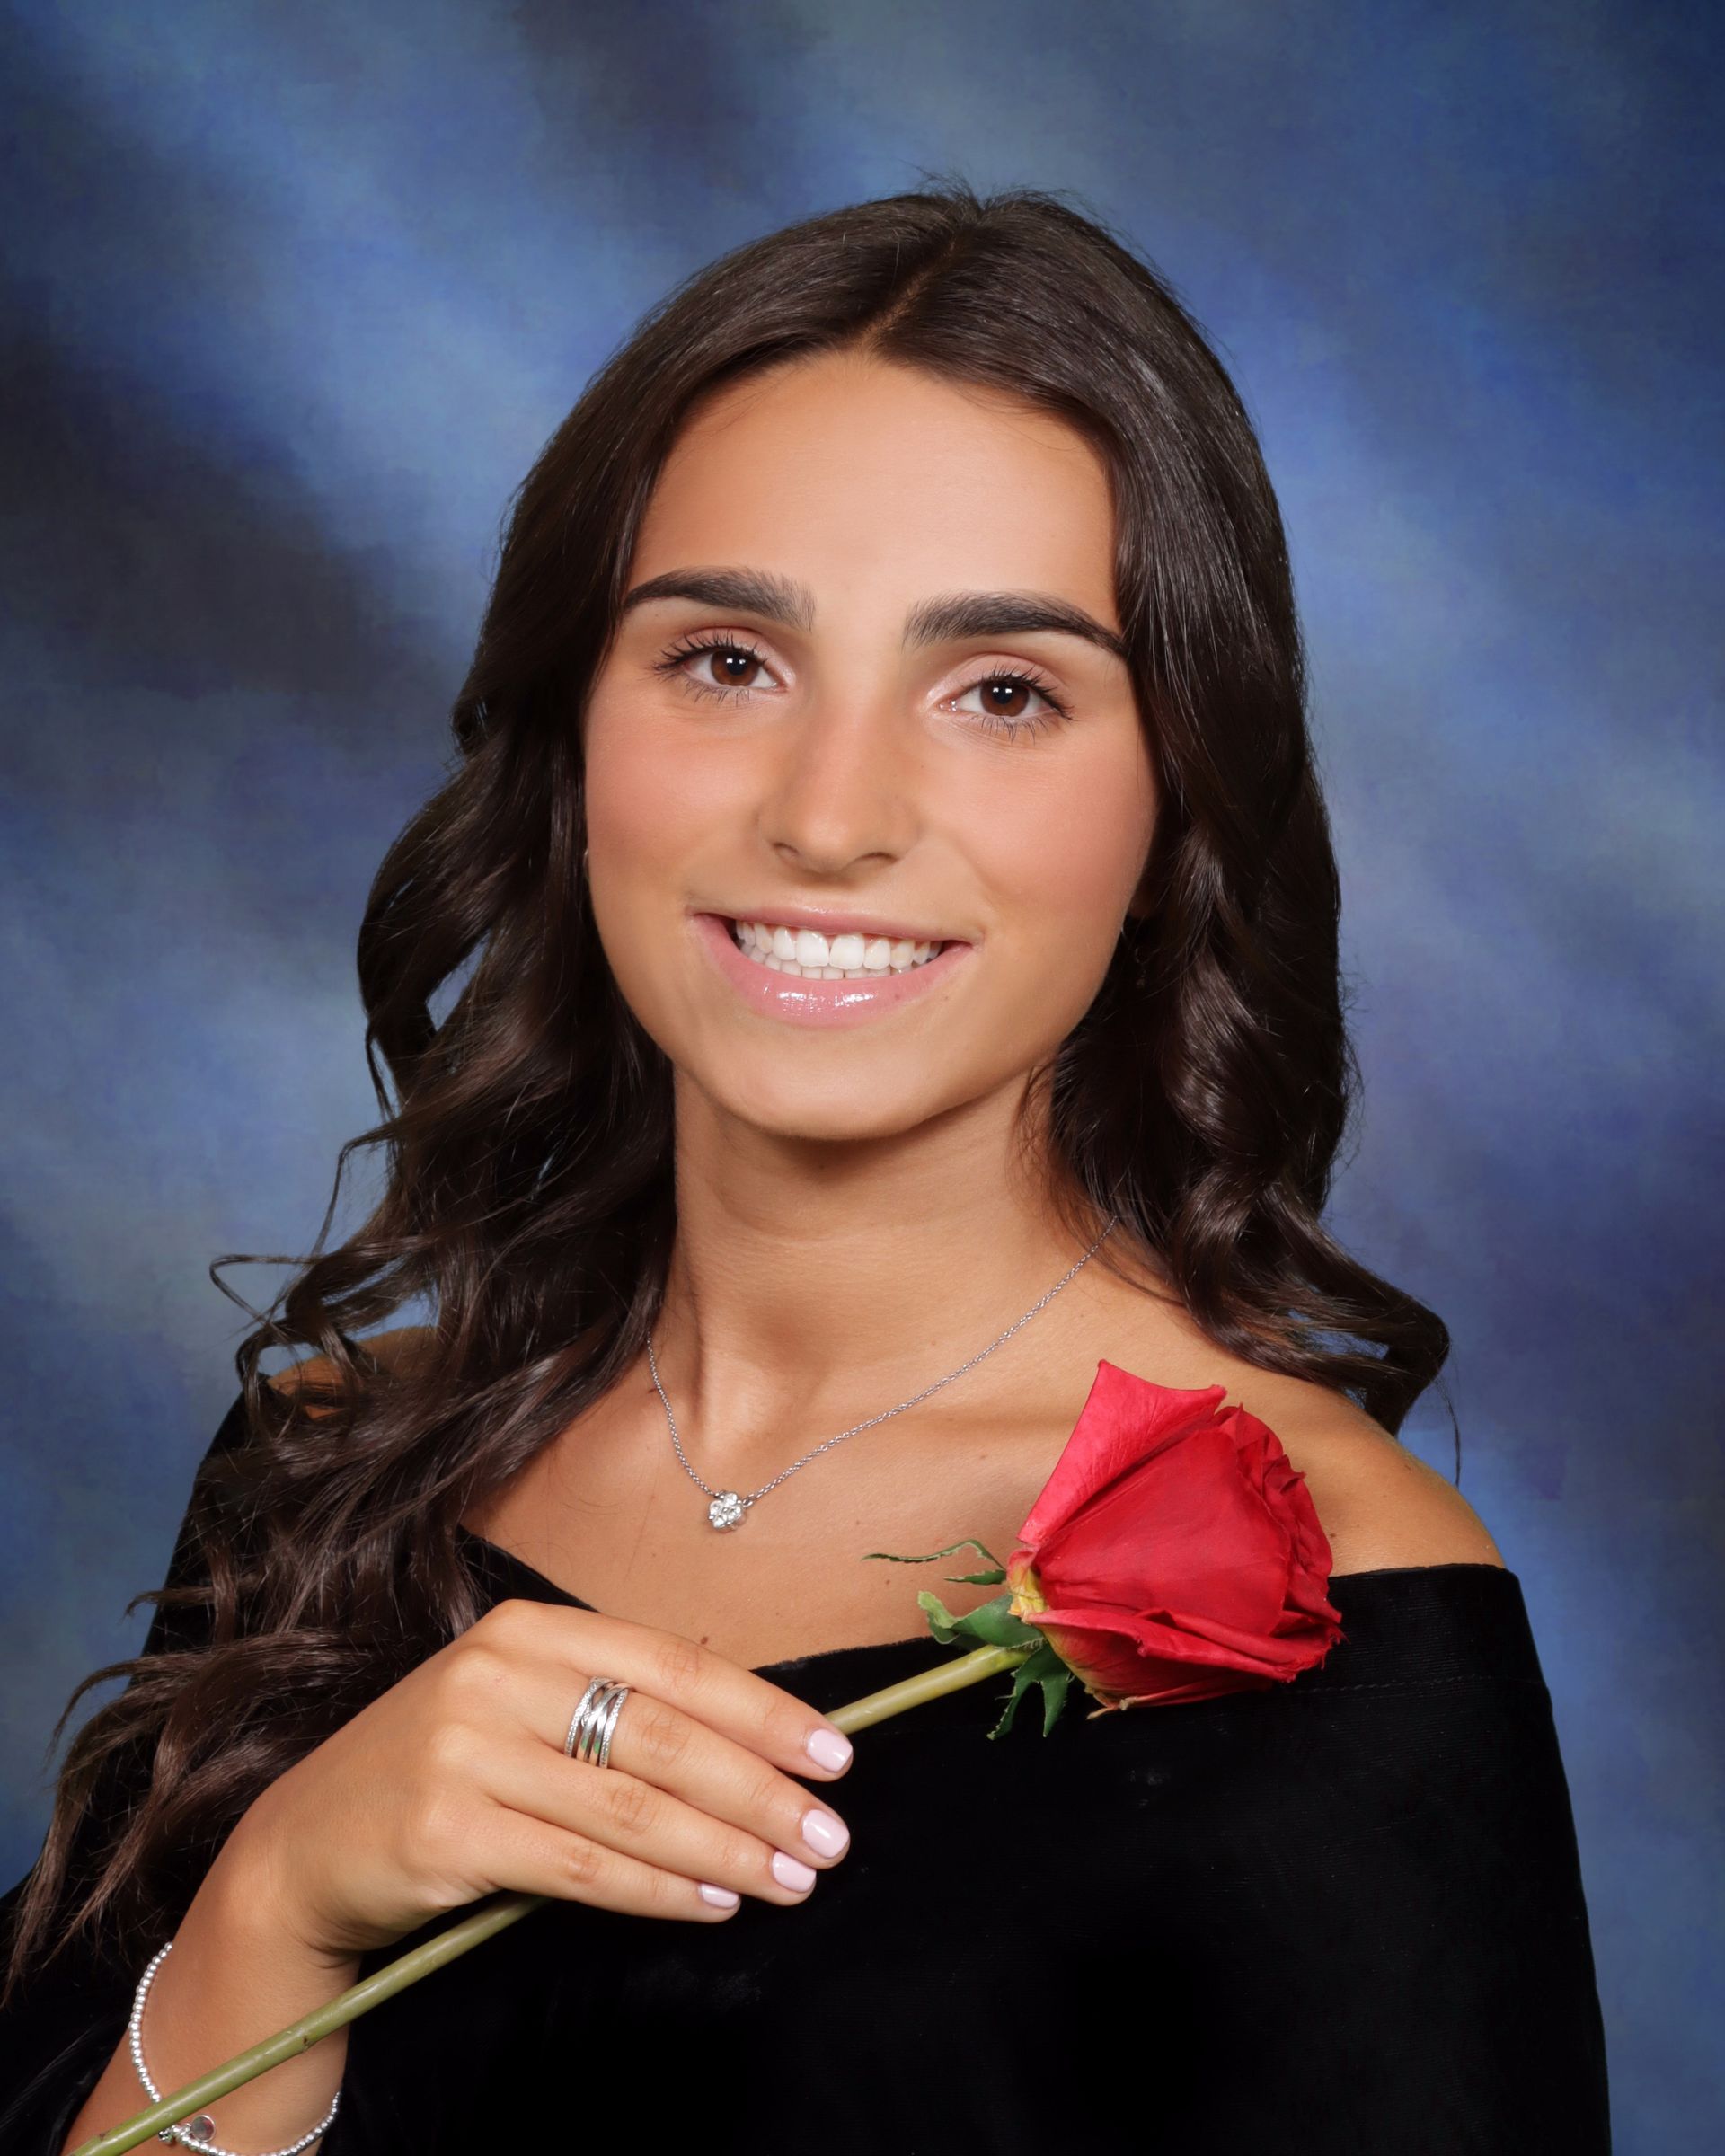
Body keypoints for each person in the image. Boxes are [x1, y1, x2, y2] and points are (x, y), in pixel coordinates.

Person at [0, 180, 1611, 2154]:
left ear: (1179, 798)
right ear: (576, 733)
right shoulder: (337, 1460)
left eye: (1003, 693)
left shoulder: (1346, 1621)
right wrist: (271, 1914)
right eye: (727, 660)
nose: (831, 816)